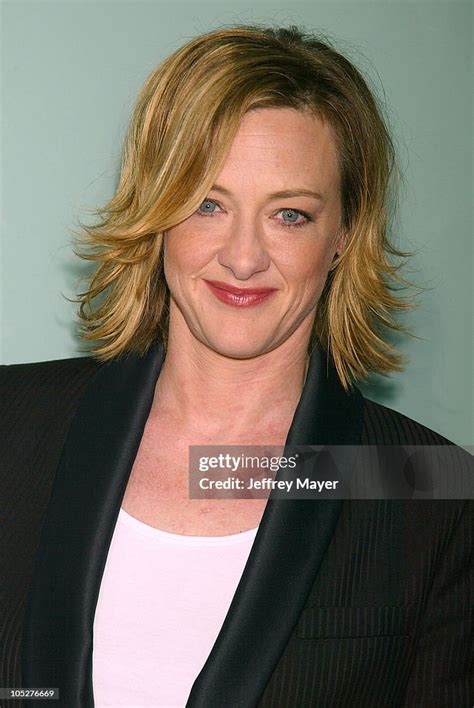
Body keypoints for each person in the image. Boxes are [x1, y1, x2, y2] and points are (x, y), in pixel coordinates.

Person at [1, 25, 472, 708]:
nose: (243, 258)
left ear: (343, 234)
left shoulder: (431, 489)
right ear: (157, 211)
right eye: (208, 204)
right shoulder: (12, 424)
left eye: (289, 215)